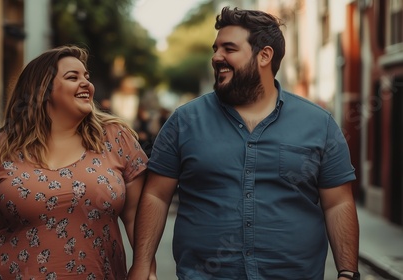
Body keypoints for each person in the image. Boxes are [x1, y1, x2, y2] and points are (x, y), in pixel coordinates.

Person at [129, 6, 360, 280]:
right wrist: (142, 265)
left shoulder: (319, 125)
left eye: (229, 48)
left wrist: (347, 272)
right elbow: (156, 195)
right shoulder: (184, 121)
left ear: (264, 56)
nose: (216, 57)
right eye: (215, 48)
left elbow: (337, 204)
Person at [0, 45, 156, 279]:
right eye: (72, 77)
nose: (86, 83)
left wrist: (146, 270)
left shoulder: (115, 139)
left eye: (87, 77)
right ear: (43, 90)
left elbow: (137, 217)